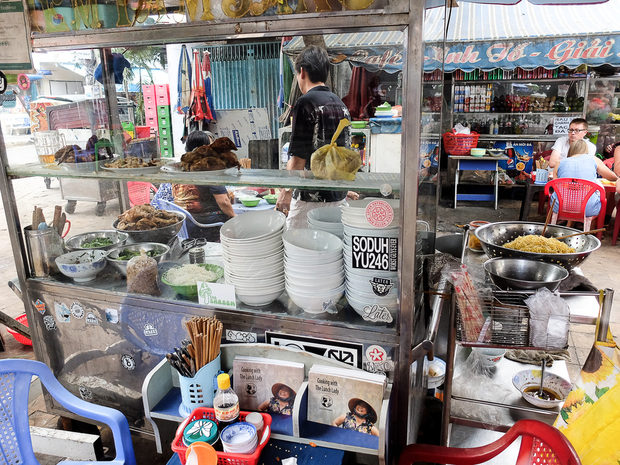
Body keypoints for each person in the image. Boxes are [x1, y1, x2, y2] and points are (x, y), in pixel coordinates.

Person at [275, 45, 358, 229]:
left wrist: (286, 192)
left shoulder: (305, 103)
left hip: (310, 201)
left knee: (299, 249)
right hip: (338, 199)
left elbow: (297, 159)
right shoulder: (340, 104)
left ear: (302, 72)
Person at [153, 131, 235, 241]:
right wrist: (234, 217)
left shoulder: (180, 166)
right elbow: (224, 201)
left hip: (184, 223)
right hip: (205, 225)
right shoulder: (208, 167)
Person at [551, 140, 618, 225]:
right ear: (586, 150)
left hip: (560, 207)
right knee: (600, 195)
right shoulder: (594, 160)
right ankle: (592, 230)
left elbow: (555, 186)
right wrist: (617, 178)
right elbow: (611, 177)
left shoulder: (559, 163)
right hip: (588, 209)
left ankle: (564, 225)